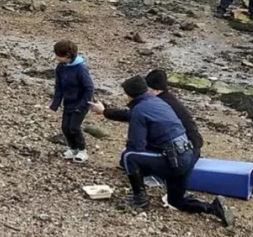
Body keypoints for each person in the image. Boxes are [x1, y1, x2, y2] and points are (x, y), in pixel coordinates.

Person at [89, 75, 234, 227]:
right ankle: (213, 208)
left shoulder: (139, 110)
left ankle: (140, 199)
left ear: (130, 94)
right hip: (186, 155)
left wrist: (137, 157)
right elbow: (131, 114)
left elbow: (136, 145)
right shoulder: (157, 102)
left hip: (173, 161)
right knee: (175, 201)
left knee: (129, 156)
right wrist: (105, 111)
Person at [95, 69, 203, 159]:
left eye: (147, 89)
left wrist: (105, 111)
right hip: (186, 144)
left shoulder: (158, 103)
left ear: (156, 90)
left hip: (185, 149)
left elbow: (131, 114)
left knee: (129, 155)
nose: (145, 91)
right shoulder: (163, 100)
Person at [49, 39, 94, 163]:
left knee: (74, 127)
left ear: (67, 56)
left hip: (80, 103)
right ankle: (73, 148)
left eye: (58, 55)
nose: (56, 57)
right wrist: (55, 104)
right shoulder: (60, 68)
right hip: (68, 103)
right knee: (65, 127)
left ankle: (82, 150)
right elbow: (59, 87)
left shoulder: (80, 69)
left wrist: (83, 104)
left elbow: (89, 88)